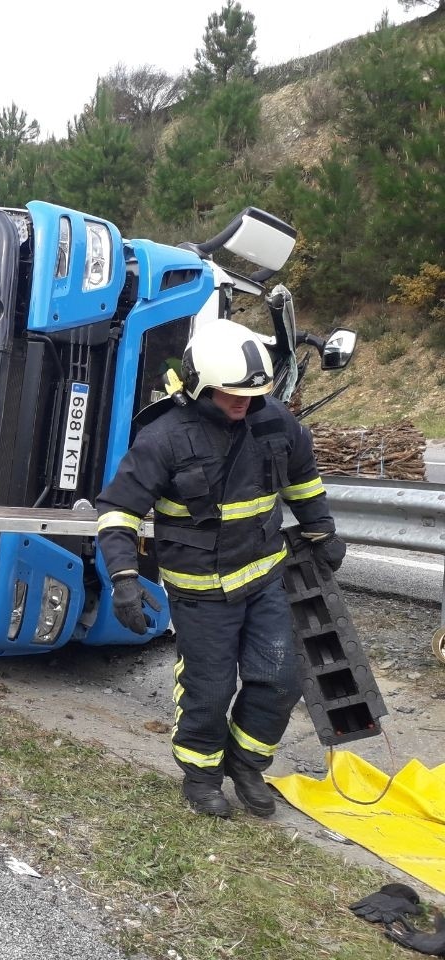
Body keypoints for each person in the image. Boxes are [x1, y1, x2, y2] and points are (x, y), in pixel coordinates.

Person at [95, 319, 346, 818]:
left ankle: (247, 765)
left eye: (251, 395)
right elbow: (118, 513)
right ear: (200, 385)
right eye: (231, 395)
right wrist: (124, 579)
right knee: (209, 691)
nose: (243, 405)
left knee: (281, 679)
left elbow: (302, 480)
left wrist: (322, 530)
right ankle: (201, 774)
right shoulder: (163, 437)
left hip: (264, 577)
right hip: (200, 593)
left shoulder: (273, 420)